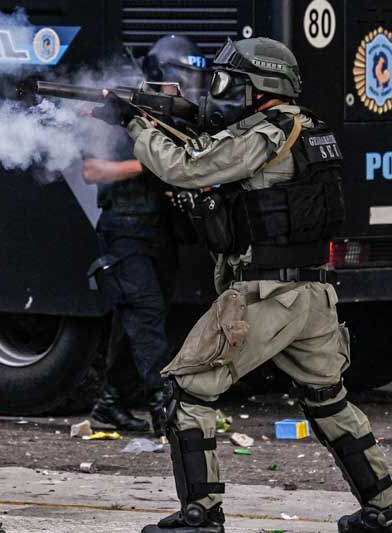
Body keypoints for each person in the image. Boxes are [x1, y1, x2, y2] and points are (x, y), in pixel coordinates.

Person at [115, 36, 392, 532]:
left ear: (261, 85)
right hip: (314, 296)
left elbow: (189, 167)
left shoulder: (266, 132)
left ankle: (201, 514)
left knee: (188, 391)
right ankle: (385, 506)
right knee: (327, 400)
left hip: (267, 296)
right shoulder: (312, 129)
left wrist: (137, 125)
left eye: (234, 83)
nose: (225, 93)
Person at [85, 35, 207, 436]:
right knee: (147, 314)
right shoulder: (119, 115)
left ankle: (109, 404)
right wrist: (151, 165)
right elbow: (93, 171)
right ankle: (164, 406)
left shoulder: (178, 119)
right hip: (125, 230)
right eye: (179, 81)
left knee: (137, 320)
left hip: (161, 233)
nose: (186, 89)